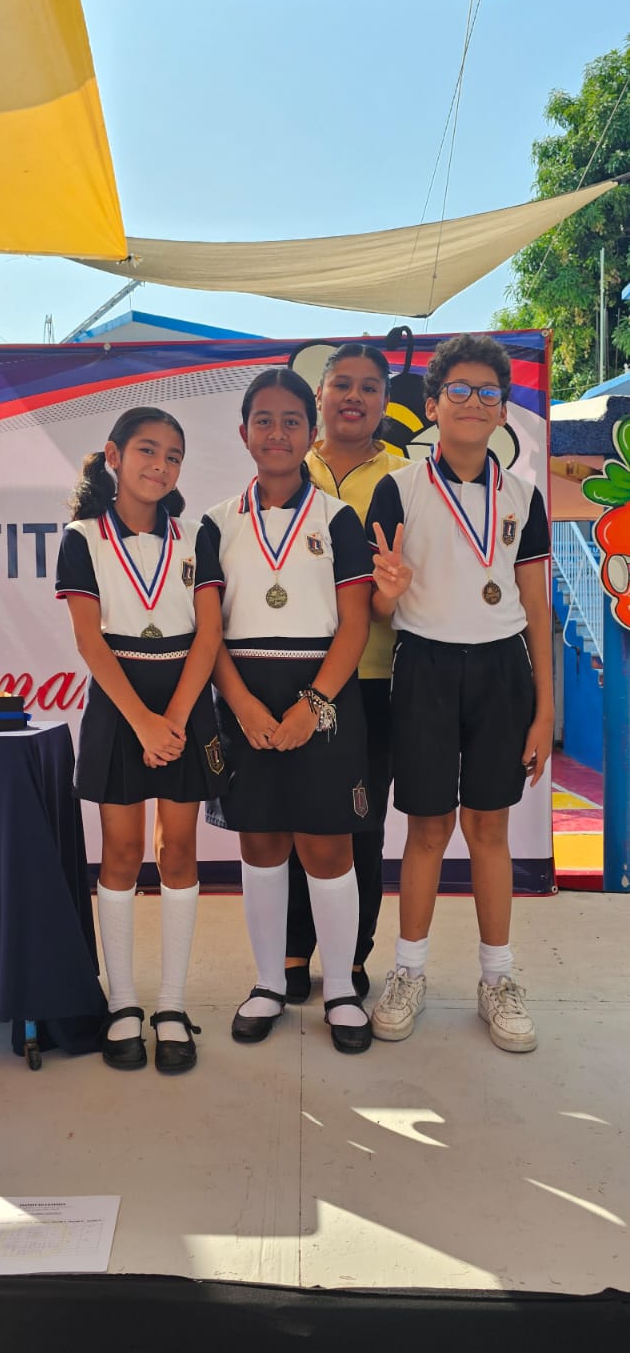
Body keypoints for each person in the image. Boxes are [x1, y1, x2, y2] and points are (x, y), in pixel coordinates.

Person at [366, 335, 553, 1053]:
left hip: (503, 672)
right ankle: (408, 972)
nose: (474, 402)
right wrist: (388, 593)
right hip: (425, 667)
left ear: (502, 409)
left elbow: (535, 606)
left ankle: (496, 979)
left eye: (488, 392)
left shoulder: (523, 497)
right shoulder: (400, 489)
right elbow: (378, 607)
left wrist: (544, 709)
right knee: (425, 829)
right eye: (459, 390)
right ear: (432, 404)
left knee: (489, 829)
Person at [203, 367, 375, 1055]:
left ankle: (340, 991)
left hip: (322, 697)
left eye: (291, 421)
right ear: (243, 432)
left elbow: (356, 624)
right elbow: (209, 632)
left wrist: (314, 703)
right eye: (264, 420)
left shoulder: (338, 520)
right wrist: (240, 703)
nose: (277, 433)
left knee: (328, 845)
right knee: (262, 842)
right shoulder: (216, 523)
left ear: (311, 432)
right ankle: (269, 983)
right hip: (244, 697)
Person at [55, 406, 226, 1075]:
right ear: (114, 456)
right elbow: (89, 641)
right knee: (122, 853)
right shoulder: (82, 538)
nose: (160, 465)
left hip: (184, 702)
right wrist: (143, 723)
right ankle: (123, 1001)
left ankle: (172, 1004)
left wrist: (174, 720)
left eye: (173, 456)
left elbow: (208, 635)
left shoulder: (196, 536)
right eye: (147, 450)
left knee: (177, 851)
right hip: (120, 705)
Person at [284, 342, 404, 1003]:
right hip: (290, 676)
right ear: (319, 396)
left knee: (361, 823)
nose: (354, 397)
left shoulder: (407, 478)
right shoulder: (284, 470)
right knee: (292, 816)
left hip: (374, 679)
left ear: (384, 402)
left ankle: (351, 954)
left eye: (368, 387)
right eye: (342, 385)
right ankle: (292, 949)